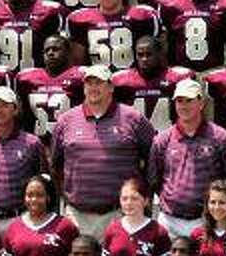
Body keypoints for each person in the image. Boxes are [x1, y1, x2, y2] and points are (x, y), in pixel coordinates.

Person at [51, 64, 155, 237]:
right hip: (77, 215)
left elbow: (153, 161)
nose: (93, 88)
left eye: (99, 82)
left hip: (121, 213)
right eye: (89, 83)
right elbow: (55, 166)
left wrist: (144, 198)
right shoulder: (65, 121)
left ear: (111, 87)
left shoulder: (133, 118)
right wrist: (69, 197)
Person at [148, 79, 226, 238]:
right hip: (170, 221)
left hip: (207, 220)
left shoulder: (222, 138)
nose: (183, 105)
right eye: (179, 101)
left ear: (201, 102)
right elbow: (153, 180)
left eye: (189, 100)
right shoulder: (162, 140)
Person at [0, 87, 45, 232]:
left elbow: (43, 181)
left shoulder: (32, 143)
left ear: (15, 109)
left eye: (5, 105)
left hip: (22, 219)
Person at [63, 0, 160, 72]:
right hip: (98, 82)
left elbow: (156, 54)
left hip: (130, 80)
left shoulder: (140, 16)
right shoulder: (81, 19)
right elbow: (78, 62)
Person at [2, 174, 80, 256]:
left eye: (39, 195)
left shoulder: (65, 226)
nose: (34, 200)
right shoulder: (14, 227)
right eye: (29, 195)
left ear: (48, 197)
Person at [110, 35, 194, 132]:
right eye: (140, 55)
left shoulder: (176, 77)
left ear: (159, 54)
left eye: (149, 54)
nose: (144, 59)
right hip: (135, 140)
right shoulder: (122, 80)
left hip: (168, 139)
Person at [15, 33, 85, 147]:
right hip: (39, 143)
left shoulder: (80, 76)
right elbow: (24, 117)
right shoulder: (27, 79)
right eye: (46, 50)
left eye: (56, 49)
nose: (50, 53)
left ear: (68, 52)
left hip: (72, 142)